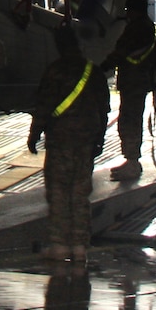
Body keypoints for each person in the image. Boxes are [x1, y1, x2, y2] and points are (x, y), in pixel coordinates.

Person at [28, 24, 110, 263]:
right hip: (85, 142)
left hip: (60, 141)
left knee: (59, 192)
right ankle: (80, 246)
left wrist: (34, 136)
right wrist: (99, 139)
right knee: (80, 193)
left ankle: (59, 245)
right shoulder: (93, 72)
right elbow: (103, 109)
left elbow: (43, 107)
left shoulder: (55, 70)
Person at [102, 0, 156, 181]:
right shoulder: (153, 29)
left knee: (129, 121)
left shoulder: (137, 28)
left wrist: (102, 67)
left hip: (132, 83)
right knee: (132, 119)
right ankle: (131, 160)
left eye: (128, 10)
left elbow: (121, 52)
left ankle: (132, 162)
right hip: (142, 82)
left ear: (134, 10)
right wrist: (152, 77)